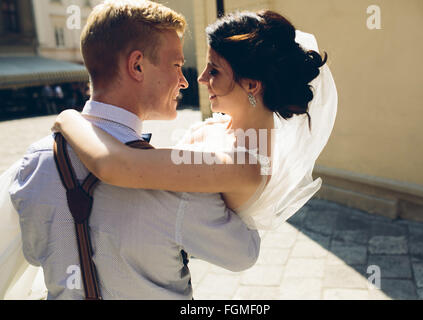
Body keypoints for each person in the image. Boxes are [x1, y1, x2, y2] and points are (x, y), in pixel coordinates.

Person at [3, 0, 260, 300]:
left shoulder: (32, 164)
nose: (185, 80)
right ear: (137, 65)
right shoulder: (175, 182)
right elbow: (243, 253)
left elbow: (36, 253)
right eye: (176, 65)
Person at [53, 10, 338, 231]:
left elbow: (114, 165)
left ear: (252, 85)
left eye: (214, 71)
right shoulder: (225, 131)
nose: (200, 79)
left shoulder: (242, 167)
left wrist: (69, 118)